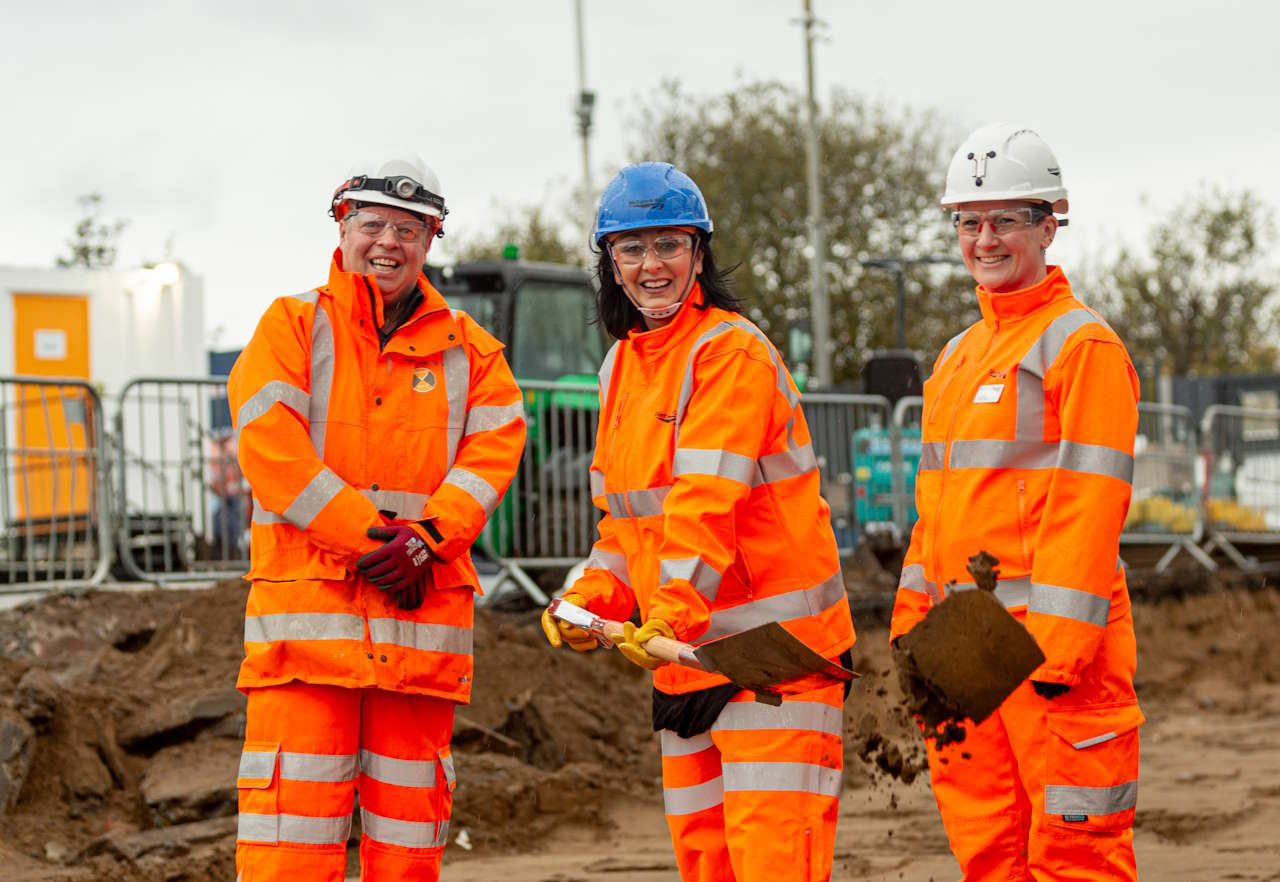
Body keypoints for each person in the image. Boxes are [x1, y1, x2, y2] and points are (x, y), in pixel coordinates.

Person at [541, 162, 856, 882]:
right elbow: (626, 526)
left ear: (699, 255)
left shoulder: (730, 352)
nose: (651, 266)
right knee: (706, 866)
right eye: (632, 249)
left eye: (668, 246)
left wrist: (669, 612)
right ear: (610, 265)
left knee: (772, 864)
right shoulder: (620, 366)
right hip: (687, 665)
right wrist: (593, 596)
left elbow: (706, 501)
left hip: (773, 659)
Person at [227, 154, 525, 881]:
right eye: (373, 225)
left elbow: (493, 455)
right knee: (288, 851)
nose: (388, 242)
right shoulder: (292, 326)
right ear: (342, 226)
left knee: (408, 852)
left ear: (431, 242)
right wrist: (375, 543)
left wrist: (430, 540)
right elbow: (272, 451)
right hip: (307, 648)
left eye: (408, 229)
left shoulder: (474, 353)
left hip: (417, 641)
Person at [891, 124, 1143, 880]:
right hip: (966, 658)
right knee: (989, 853)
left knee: (1075, 858)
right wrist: (913, 637)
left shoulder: (1082, 347)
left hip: (1052, 660)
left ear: (1049, 222)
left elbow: (1089, 507)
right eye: (969, 222)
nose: (984, 238)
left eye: (1004, 220)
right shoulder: (958, 358)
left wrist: (1057, 655)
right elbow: (933, 516)